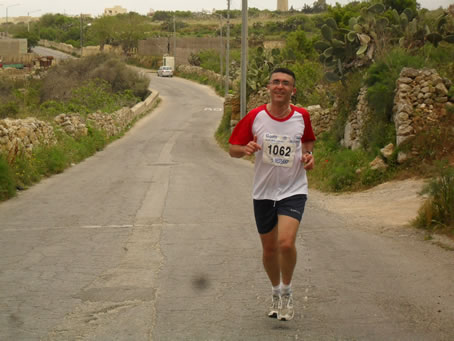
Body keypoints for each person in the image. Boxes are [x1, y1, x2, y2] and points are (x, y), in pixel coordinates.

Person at [229, 67, 315, 321]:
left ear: (293, 90)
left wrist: (309, 157)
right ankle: (275, 292)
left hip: (293, 189)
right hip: (264, 191)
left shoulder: (302, 116)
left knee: (285, 243)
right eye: (275, 82)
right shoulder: (255, 117)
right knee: (268, 250)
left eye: (285, 83)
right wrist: (245, 148)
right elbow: (232, 149)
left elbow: (308, 142)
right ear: (268, 87)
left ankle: (287, 292)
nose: (280, 86)